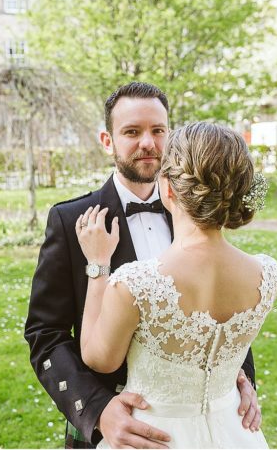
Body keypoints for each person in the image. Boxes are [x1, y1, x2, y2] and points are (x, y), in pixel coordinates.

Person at [25, 83, 262, 449]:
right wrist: (98, 410)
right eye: (132, 132)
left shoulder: (202, 214)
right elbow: (46, 335)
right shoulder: (70, 220)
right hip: (115, 432)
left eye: (157, 131)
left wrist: (241, 379)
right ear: (108, 140)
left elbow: (223, 311)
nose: (148, 143)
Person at [74, 121, 277, 448]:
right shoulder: (267, 274)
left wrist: (98, 266)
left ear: (167, 187)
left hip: (153, 437)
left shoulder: (136, 283)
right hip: (235, 432)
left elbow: (100, 359)